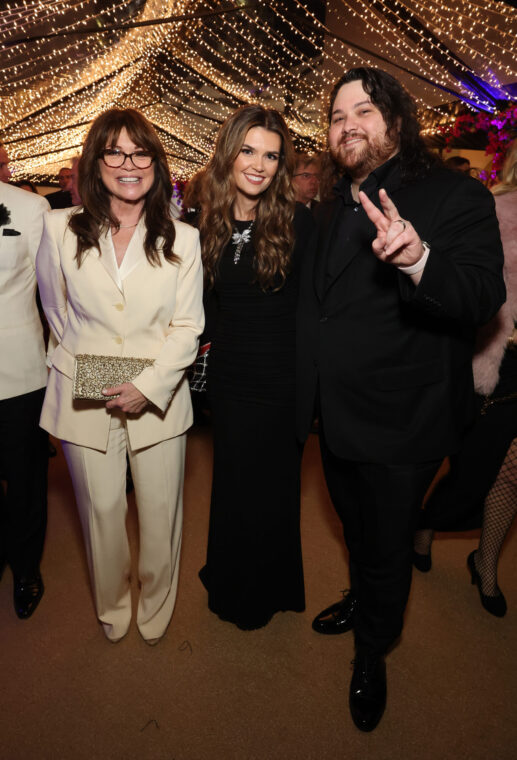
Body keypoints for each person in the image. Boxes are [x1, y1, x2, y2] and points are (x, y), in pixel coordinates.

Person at [296, 67, 505, 732]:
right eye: (336, 114)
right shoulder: (328, 204)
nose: (347, 123)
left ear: (396, 118)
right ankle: (364, 598)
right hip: (337, 417)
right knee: (355, 530)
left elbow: (480, 296)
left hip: (404, 421)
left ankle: (372, 650)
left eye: (364, 108)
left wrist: (417, 260)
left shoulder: (452, 195)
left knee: (386, 545)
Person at [36, 108, 204, 644]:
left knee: (160, 512)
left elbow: (188, 326)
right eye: (115, 151)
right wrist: (94, 363)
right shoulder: (58, 228)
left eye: (140, 152)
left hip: (158, 395)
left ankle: (155, 609)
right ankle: (113, 607)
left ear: (156, 163)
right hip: (85, 390)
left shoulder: (183, 238)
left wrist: (146, 387)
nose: (128, 164)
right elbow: (56, 311)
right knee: (102, 513)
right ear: (95, 161)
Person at [195, 104, 314, 630]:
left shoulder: (299, 221)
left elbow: (315, 309)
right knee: (233, 484)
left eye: (271, 155)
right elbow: (204, 309)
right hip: (230, 379)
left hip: (281, 379)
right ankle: (229, 577)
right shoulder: (207, 221)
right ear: (229, 153)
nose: (259, 164)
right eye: (249, 151)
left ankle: (267, 589)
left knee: (275, 489)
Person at [413, 139, 517, 617]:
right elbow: (469, 289)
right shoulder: (494, 209)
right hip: (496, 358)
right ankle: (427, 522)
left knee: (513, 474)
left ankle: (486, 562)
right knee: (473, 465)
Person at [0, 181, 50, 618]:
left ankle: (26, 567)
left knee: (25, 479)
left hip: (17, 371)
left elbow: (53, 292)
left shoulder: (31, 207)